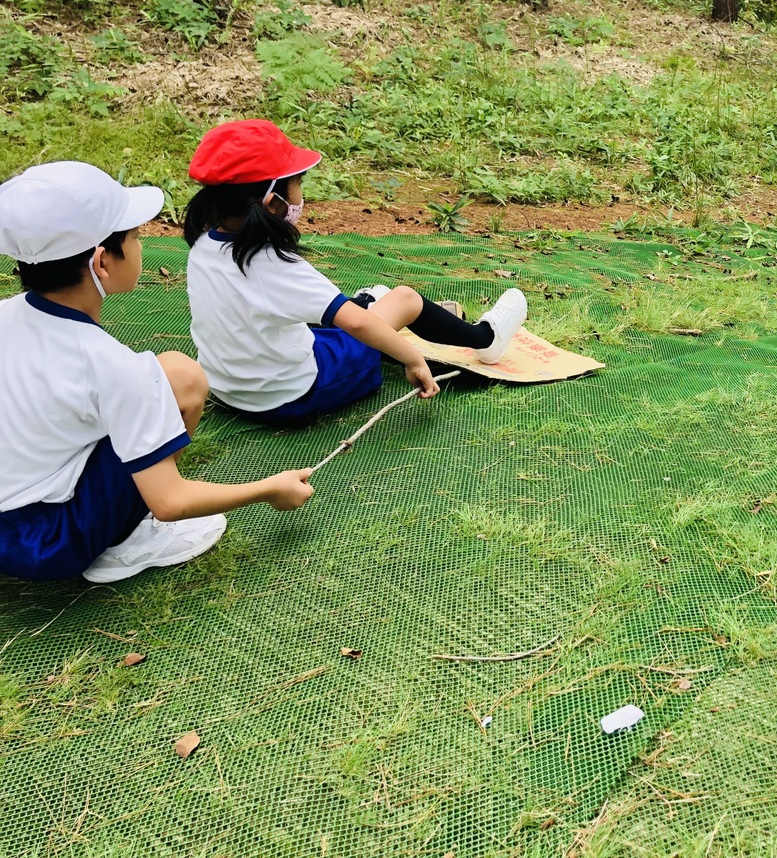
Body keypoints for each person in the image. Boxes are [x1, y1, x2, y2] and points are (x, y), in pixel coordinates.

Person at [0, 162, 315, 583]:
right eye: (133, 237)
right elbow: (171, 500)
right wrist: (270, 489)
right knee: (181, 377)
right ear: (101, 262)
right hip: (50, 544)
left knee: (172, 375)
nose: (141, 245)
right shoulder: (113, 366)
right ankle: (128, 541)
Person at [182, 119, 527, 422]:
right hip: (296, 394)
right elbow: (358, 324)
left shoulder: (202, 245)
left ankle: (368, 300)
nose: (301, 195)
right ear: (274, 203)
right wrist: (411, 358)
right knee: (404, 300)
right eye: (298, 184)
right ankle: (486, 339)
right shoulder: (277, 266)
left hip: (228, 389)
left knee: (346, 312)